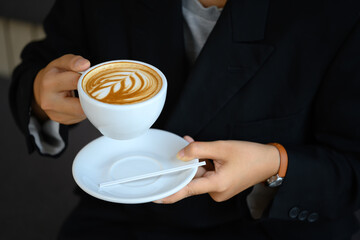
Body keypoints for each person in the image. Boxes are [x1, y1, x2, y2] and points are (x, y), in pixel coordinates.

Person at [9, 0, 360, 239]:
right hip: (125, 205)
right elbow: (43, 60)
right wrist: (42, 98)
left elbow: (350, 166)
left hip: (265, 222)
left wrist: (275, 164)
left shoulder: (339, 13)